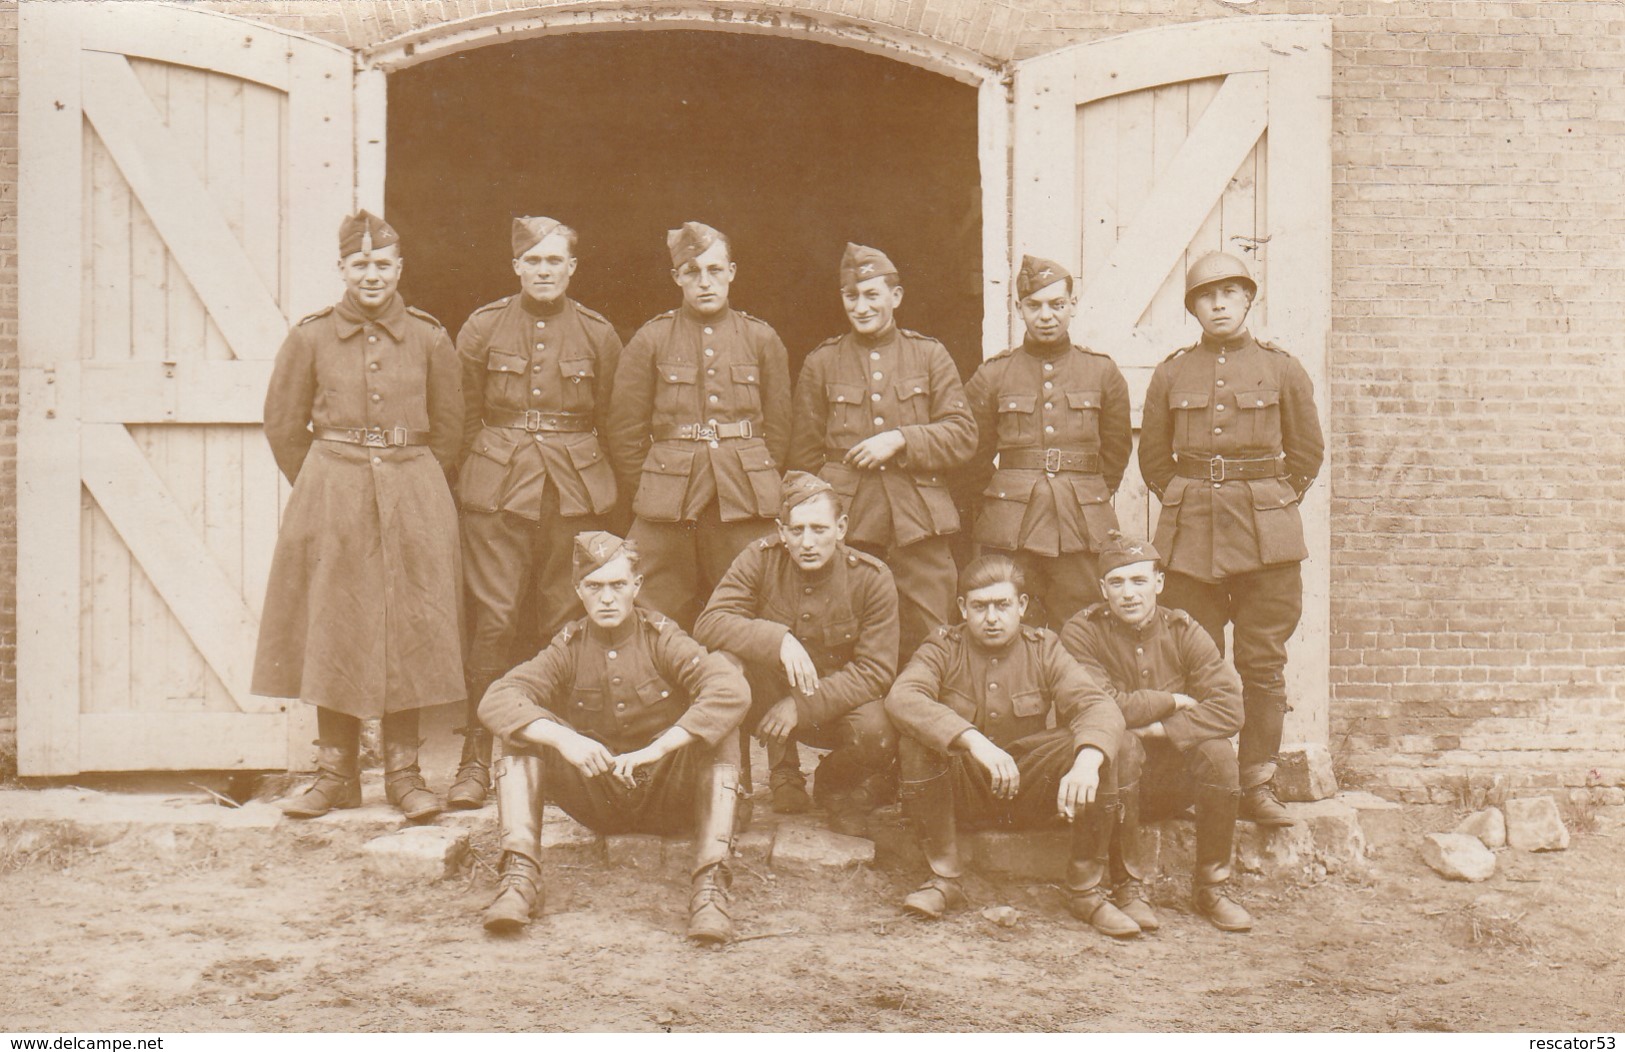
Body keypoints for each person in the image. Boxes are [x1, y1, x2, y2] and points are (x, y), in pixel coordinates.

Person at [254, 210, 463, 822]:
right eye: (359, 265)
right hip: (333, 487)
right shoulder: (310, 337)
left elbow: (451, 429)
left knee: (412, 624)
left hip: (413, 485)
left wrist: (416, 483)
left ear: (399, 269)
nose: (371, 276)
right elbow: (284, 426)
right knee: (334, 623)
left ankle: (405, 774)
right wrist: (326, 482)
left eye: (382, 265)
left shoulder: (430, 337)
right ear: (341, 270)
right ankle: (335, 773)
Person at [477, 532, 750, 944]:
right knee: (520, 726)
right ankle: (519, 877)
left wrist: (660, 748)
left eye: (618, 585)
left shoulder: (663, 638)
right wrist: (565, 741)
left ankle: (711, 888)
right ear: (579, 592)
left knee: (719, 726)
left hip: (667, 793)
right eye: (594, 587)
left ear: (637, 587)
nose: (607, 598)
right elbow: (498, 698)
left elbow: (731, 690)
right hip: (598, 796)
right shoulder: (567, 647)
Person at [1139, 251, 1325, 827]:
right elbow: (1153, 461)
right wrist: (1192, 497)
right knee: (1192, 662)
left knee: (1262, 663)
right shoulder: (1171, 373)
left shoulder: (1283, 369)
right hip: (1190, 541)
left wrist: (1267, 501)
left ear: (1248, 300)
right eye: (1205, 296)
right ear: (1192, 306)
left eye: (1229, 294)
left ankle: (1256, 784)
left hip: (1266, 542)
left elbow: (1306, 454)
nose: (1218, 304)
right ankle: (1200, 780)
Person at [448, 216, 624, 810]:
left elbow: (613, 418)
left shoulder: (599, 333)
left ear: (572, 267)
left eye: (556, 261)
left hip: (573, 489)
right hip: (496, 486)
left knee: (563, 618)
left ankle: (558, 755)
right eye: (534, 261)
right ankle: (478, 752)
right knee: (495, 618)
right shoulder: (483, 326)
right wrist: (485, 466)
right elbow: (462, 412)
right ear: (516, 266)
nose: (545, 271)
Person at [883, 554, 1137, 938]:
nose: (991, 618)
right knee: (918, 741)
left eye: (1002, 605)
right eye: (980, 606)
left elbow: (1097, 704)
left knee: (1100, 745)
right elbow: (903, 698)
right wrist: (974, 742)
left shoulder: (1044, 647)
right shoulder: (943, 647)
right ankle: (944, 880)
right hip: (965, 791)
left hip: (1031, 792)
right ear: (963, 608)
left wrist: (1087, 760)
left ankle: (1085, 890)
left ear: (1021, 606)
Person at [788, 243, 977, 664]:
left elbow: (963, 435)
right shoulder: (822, 362)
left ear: (896, 296)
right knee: (848, 636)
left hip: (919, 523)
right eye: (851, 296)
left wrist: (901, 440)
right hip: (852, 526)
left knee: (935, 635)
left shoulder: (929, 355)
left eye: (872, 295)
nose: (861, 306)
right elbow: (802, 459)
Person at [1059, 532, 1254, 932]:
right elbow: (1103, 705)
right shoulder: (1082, 632)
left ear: (1159, 583)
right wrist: (1174, 701)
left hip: (1173, 781)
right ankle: (1129, 887)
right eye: (1117, 583)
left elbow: (1230, 707)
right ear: (1102, 589)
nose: (1129, 594)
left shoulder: (1184, 630)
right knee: (1124, 743)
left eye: (1139, 581)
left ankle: (1212, 887)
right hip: (1110, 784)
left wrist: (1161, 728)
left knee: (1218, 753)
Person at [606, 222, 792, 628]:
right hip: (667, 497)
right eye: (691, 272)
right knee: (649, 605)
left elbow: (778, 430)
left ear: (732, 272)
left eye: (714, 269)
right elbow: (624, 431)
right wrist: (654, 484)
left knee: (758, 601)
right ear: (677, 278)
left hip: (744, 497)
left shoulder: (762, 339)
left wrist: (756, 476)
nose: (704, 282)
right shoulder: (650, 339)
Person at [693, 471, 900, 835]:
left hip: (831, 710)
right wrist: (778, 640)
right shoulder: (759, 559)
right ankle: (735, 788)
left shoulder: (871, 577)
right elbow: (710, 623)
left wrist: (801, 705)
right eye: (797, 529)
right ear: (781, 531)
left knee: (876, 732)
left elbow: (875, 670)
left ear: (841, 528)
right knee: (724, 666)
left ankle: (833, 782)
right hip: (764, 695)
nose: (807, 542)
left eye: (819, 529)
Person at [962, 255, 1132, 628]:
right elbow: (973, 459)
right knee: (1012, 626)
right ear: (1018, 308)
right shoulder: (993, 375)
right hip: (1011, 528)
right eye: (1034, 306)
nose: (1046, 316)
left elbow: (1116, 453)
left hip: (1082, 526)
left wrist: (1087, 497)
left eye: (1057, 305)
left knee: (1082, 624)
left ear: (1072, 305)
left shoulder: (1102, 371)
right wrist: (1000, 502)